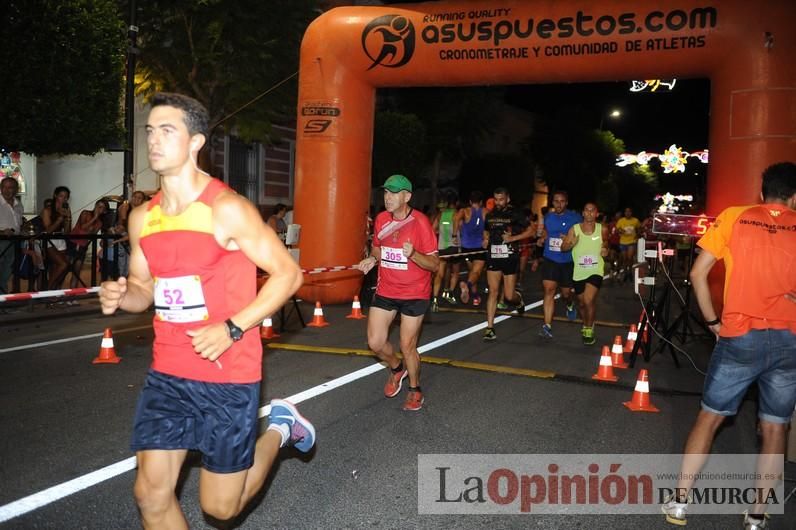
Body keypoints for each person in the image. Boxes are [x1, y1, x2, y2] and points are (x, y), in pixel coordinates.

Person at [99, 92, 314, 528]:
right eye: (149, 131)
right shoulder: (143, 218)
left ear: (196, 142)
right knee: (150, 495)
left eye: (167, 131)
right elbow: (146, 288)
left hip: (226, 373)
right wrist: (124, 296)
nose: (154, 141)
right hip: (169, 372)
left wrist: (233, 327)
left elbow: (288, 276)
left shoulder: (226, 209)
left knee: (220, 508)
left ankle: (279, 427)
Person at [662, 162, 796, 529]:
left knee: (710, 418)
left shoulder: (736, 216)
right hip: (789, 340)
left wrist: (713, 324)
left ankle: (679, 503)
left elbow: (697, 273)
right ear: (794, 197)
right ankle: (755, 516)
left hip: (739, 335)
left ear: (762, 191)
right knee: (775, 430)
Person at [354, 174, 439, 411]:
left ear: (407, 196)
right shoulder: (381, 219)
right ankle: (396, 368)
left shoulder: (421, 223)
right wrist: (372, 258)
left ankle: (415, 388)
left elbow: (435, 265)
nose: (388, 197)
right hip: (387, 289)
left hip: (415, 293)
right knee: (375, 342)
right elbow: (378, 248)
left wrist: (413, 254)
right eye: (385, 192)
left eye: (393, 192)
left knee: (407, 345)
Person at [482, 187, 533, 341]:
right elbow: (486, 231)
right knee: (493, 291)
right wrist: (485, 239)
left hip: (510, 256)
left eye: (501, 199)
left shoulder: (516, 213)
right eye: (496, 199)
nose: (498, 202)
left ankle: (519, 300)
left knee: (509, 296)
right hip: (493, 256)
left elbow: (531, 231)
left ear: (507, 199)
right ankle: (489, 328)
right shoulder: (490, 215)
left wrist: (513, 239)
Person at [561, 203, 609, 345]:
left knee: (588, 300)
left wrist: (605, 249)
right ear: (583, 213)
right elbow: (563, 248)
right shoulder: (574, 229)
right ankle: (586, 323)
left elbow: (605, 242)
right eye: (586, 210)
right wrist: (571, 244)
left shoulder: (603, 229)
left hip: (595, 270)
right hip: (579, 272)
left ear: (596, 214)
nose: (589, 213)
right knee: (582, 303)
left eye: (592, 210)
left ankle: (588, 328)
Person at [538, 191, 581, 338]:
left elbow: (581, 235)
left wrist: (570, 239)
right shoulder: (548, 217)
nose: (559, 204)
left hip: (567, 260)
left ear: (567, 202)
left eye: (562, 201)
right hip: (550, 258)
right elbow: (545, 232)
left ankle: (569, 303)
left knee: (566, 293)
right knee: (549, 290)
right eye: (556, 201)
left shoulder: (575, 217)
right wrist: (543, 238)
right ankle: (547, 325)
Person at [67, 199, 109, 289]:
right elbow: (82, 227)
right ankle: (55, 293)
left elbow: (92, 235)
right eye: (98, 206)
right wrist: (94, 217)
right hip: (72, 243)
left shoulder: (99, 222)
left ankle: (72, 296)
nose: (98, 208)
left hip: (82, 246)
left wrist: (95, 222)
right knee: (64, 268)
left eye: (101, 208)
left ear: (104, 211)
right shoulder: (85, 213)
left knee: (76, 271)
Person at [455, 190, 486, 306]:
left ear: (470, 201)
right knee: (476, 272)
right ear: (481, 202)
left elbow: (456, 219)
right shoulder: (485, 212)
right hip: (479, 247)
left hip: (466, 247)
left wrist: (455, 234)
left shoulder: (465, 211)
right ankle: (466, 286)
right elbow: (488, 227)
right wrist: (487, 238)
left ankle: (475, 296)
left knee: (472, 272)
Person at [431, 192, 459, 311]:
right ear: (456, 203)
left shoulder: (440, 215)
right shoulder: (457, 214)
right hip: (455, 247)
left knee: (440, 274)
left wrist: (440, 233)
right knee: (455, 272)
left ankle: (435, 300)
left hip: (442, 247)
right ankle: (450, 293)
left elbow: (432, 229)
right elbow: (461, 228)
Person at [41, 186, 72, 289]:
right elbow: (48, 230)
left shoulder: (66, 209)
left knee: (58, 269)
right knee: (63, 264)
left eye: (66, 197)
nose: (64, 199)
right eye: (61, 196)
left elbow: (67, 232)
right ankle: (47, 289)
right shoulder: (47, 210)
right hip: (49, 240)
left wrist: (67, 218)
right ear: (55, 196)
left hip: (61, 240)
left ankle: (53, 292)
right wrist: (60, 219)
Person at [0, 176, 24, 293]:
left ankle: (3, 301)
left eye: (10, 188)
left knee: (7, 272)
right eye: (4, 187)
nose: (6, 190)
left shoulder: (18, 204)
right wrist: (2, 232)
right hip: (1, 241)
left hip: (14, 242)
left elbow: (18, 224)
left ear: (16, 190)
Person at [615, 207, 641, 280]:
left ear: (631, 213)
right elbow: (617, 230)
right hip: (623, 242)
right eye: (626, 212)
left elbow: (639, 228)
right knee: (624, 258)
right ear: (624, 213)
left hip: (631, 241)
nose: (628, 213)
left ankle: (630, 272)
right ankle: (626, 273)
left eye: (629, 212)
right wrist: (621, 231)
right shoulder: (621, 220)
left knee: (630, 258)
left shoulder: (635, 220)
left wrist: (637, 235)